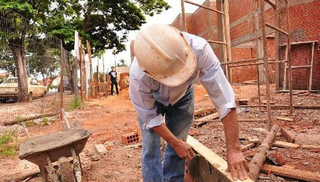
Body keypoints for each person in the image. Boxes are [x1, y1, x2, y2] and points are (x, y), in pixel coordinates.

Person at [129, 24, 249, 182]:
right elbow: (150, 118)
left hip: (184, 96)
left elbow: (224, 100)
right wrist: (174, 143)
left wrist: (234, 150)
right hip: (154, 101)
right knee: (151, 146)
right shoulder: (138, 76)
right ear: (148, 72)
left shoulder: (200, 49)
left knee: (180, 143)